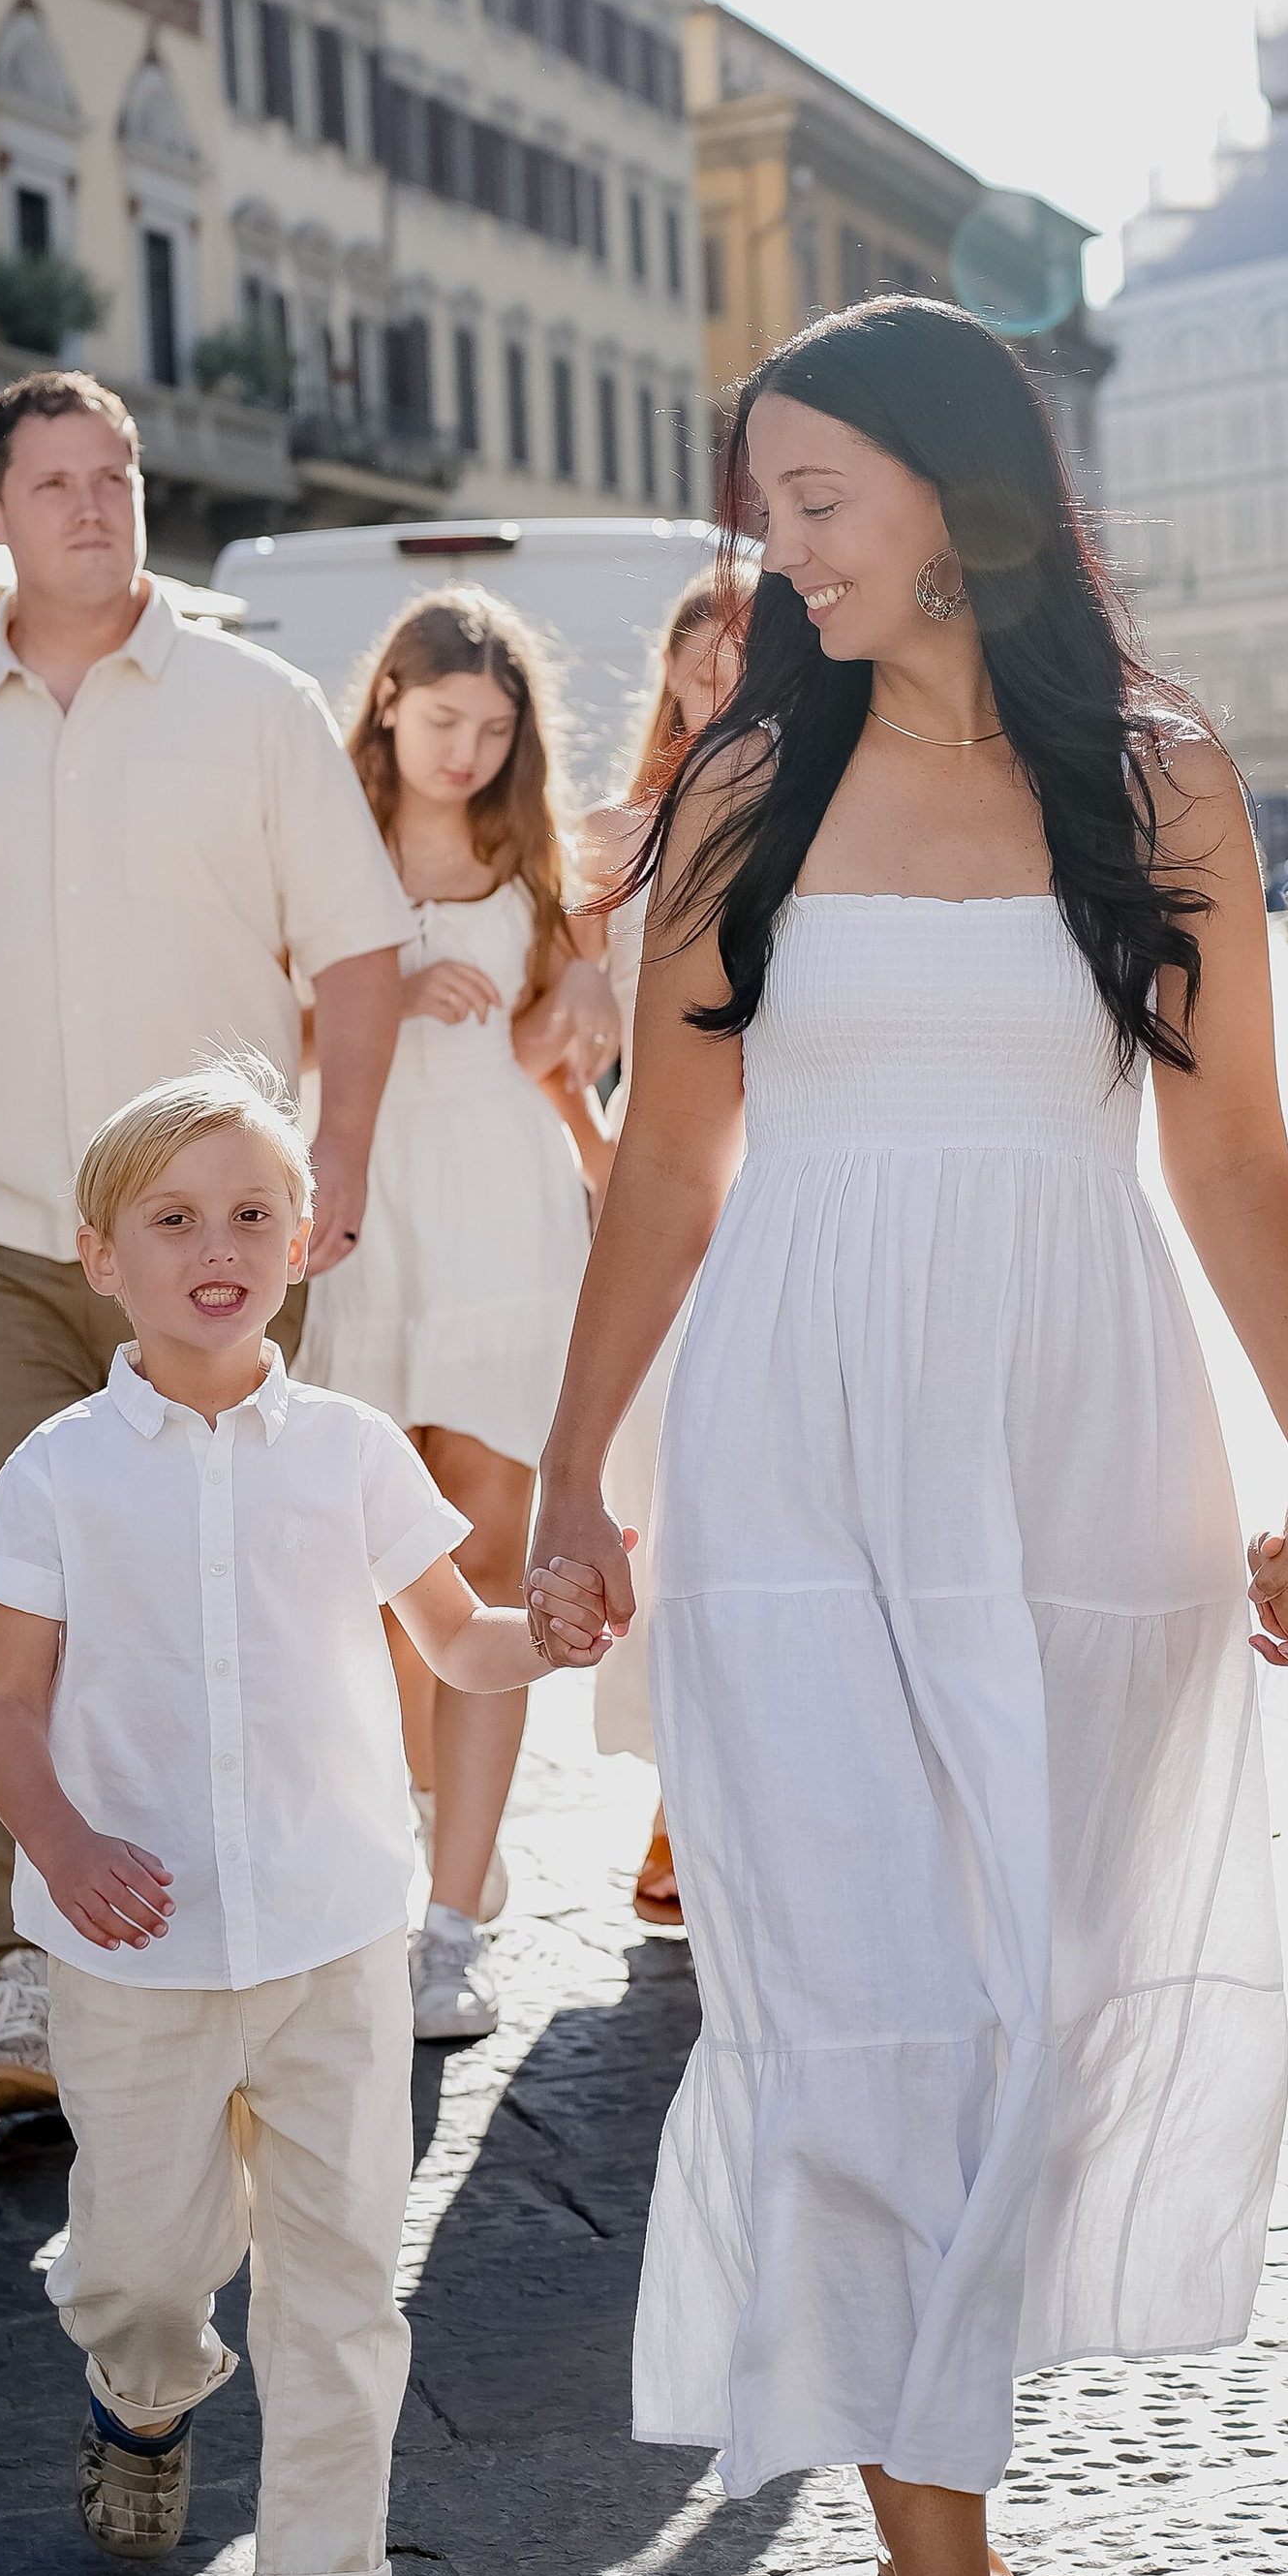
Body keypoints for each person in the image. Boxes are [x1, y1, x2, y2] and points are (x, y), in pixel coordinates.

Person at [524, 297, 1288, 2576]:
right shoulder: (746, 779)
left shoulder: (1163, 783)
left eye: (814, 493)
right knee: (861, 1998)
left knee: (1038, 1999)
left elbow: (1223, 1162)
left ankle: (942, 2523)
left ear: (956, 484)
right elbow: (669, 1172)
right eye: (764, 503)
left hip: (1076, 1427)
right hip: (797, 1438)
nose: (777, 544)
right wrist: (573, 1479)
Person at [0, 371, 412, 2121]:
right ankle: (13, 1978)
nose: (91, 506)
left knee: (242, 1588)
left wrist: (338, 1142)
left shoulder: (258, 703)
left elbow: (355, 948)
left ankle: (252, 1938)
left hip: (211, 1239)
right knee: (8, 1581)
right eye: (53, 481)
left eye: (113, 476)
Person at [0, 1051, 610, 2576]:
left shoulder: (350, 1449)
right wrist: (69, 1846)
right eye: (172, 1218)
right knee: (142, 2265)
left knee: (342, 2282)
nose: (216, 1243)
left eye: (253, 1211)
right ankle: (142, 2392)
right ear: (101, 1255)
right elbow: (6, 1705)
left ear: (311, 1238)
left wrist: (555, 1628)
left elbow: (456, 1641)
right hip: (138, 1952)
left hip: (336, 1936)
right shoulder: (58, 1470)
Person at [292, 590, 618, 2041]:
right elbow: (246, 1010)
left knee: (486, 1551)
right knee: (366, 1565)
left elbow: (571, 1040)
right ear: (385, 706)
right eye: (443, 723)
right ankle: (385, 1871)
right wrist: (370, 994)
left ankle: (457, 1917)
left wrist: (585, 997)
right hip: (362, 1215)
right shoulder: (321, 842)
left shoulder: (539, 856)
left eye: (493, 728)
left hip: (505, 1214)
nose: (468, 752)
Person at [574, 561, 751, 1928]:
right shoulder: (613, 836)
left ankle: (742, 1795)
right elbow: (554, 1026)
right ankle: (685, 1794)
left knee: (756, 1496)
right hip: (657, 1191)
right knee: (667, 1493)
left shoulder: (824, 822)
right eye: (702, 652)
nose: (721, 674)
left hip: (788, 1182)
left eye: (747, 653)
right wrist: (592, 1151)